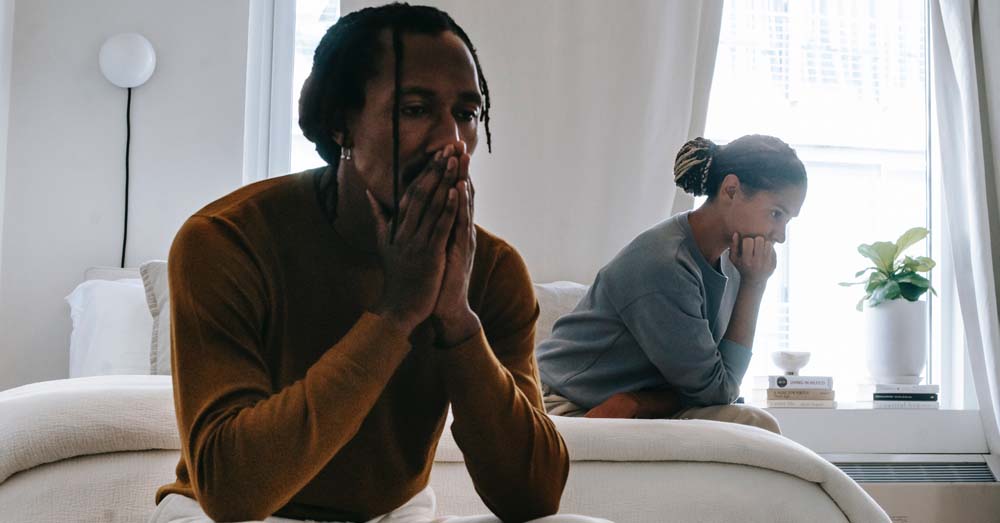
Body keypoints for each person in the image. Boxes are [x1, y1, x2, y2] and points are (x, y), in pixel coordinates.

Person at [150, 4, 609, 523]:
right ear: (340, 124)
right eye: (415, 110)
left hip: (392, 513)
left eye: (466, 113)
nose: (451, 141)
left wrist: (457, 320)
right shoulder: (226, 241)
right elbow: (232, 491)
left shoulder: (493, 269)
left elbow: (534, 498)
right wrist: (397, 312)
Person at [535, 135, 808, 434]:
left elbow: (717, 388)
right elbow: (718, 391)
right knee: (752, 424)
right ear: (731, 189)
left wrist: (639, 402)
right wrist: (754, 286)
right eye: (776, 214)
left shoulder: (735, 259)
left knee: (754, 423)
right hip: (566, 404)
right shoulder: (665, 263)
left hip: (630, 404)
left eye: (787, 220)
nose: (780, 235)